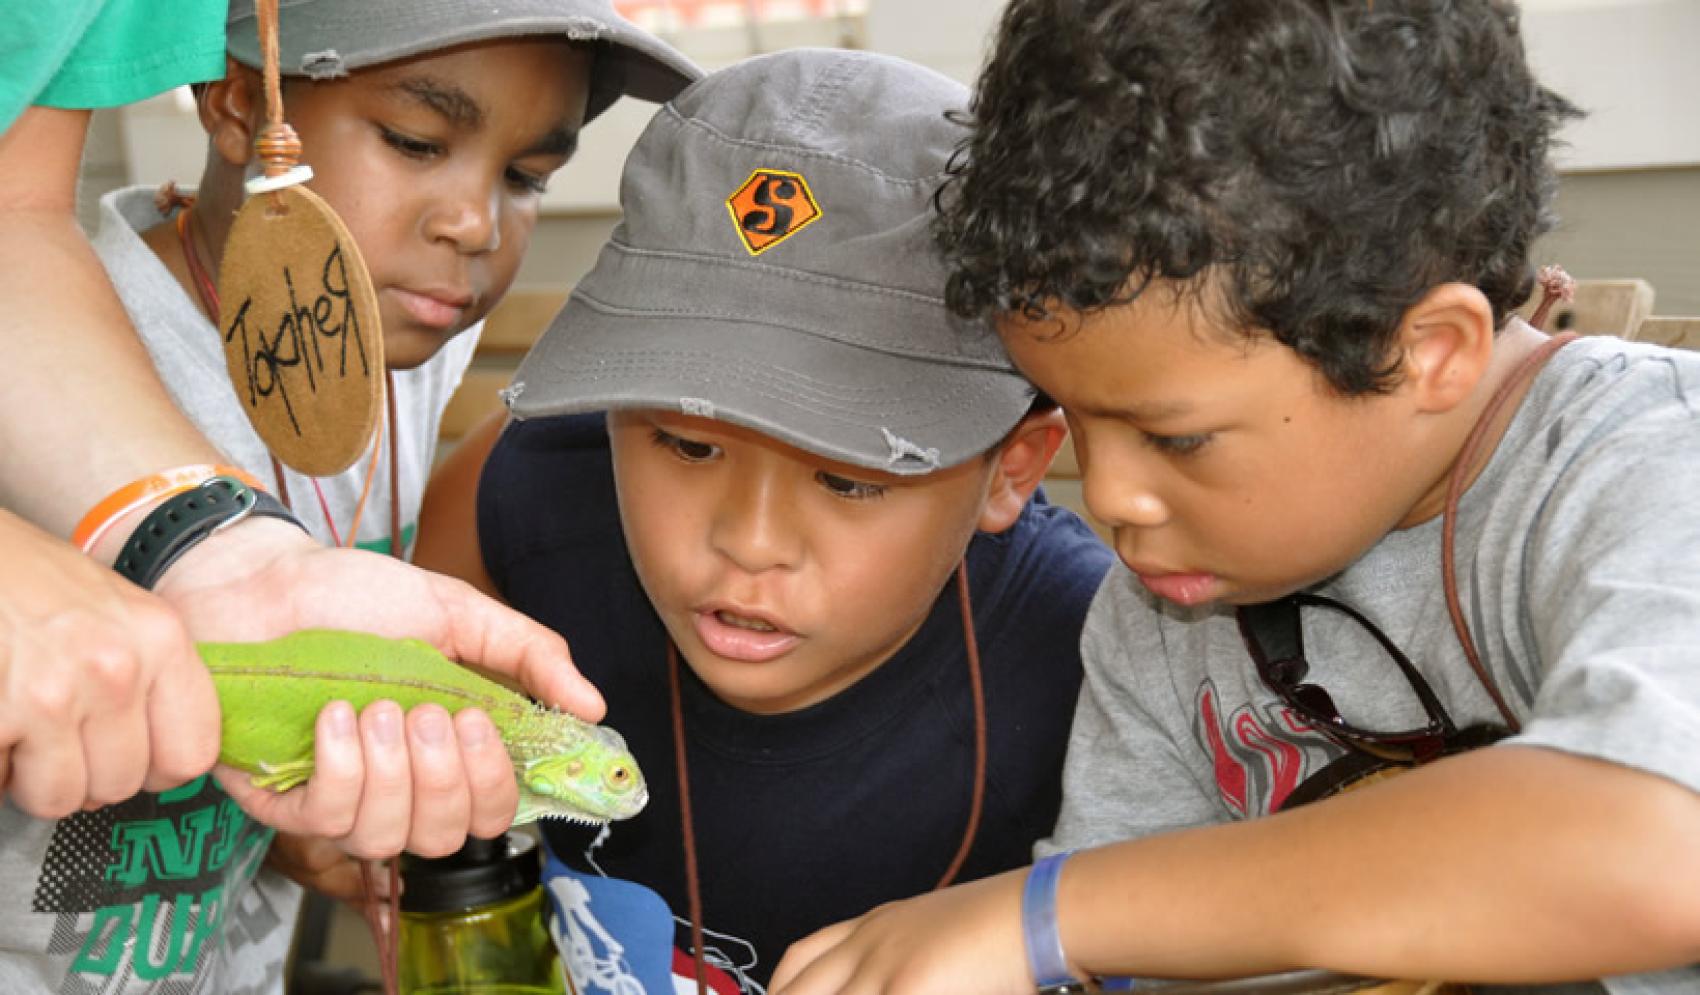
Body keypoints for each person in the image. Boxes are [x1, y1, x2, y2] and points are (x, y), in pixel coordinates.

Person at [769, 2, 1700, 994]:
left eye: (1175, 437)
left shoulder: (1641, 462)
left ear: (1424, 352)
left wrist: (1054, 909)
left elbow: (1655, 841)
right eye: (1077, 420)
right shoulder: (1168, 610)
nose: (1114, 498)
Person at [0, 2, 698, 992]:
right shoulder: (70, 353)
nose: (472, 222)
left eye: (527, 177)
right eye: (416, 143)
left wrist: (298, 829)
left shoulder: (412, 343)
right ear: (238, 99)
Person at [414, 47, 1114, 995]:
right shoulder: (527, 496)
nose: (749, 539)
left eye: (849, 478)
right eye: (687, 446)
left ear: (1011, 468)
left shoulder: (1093, 661)